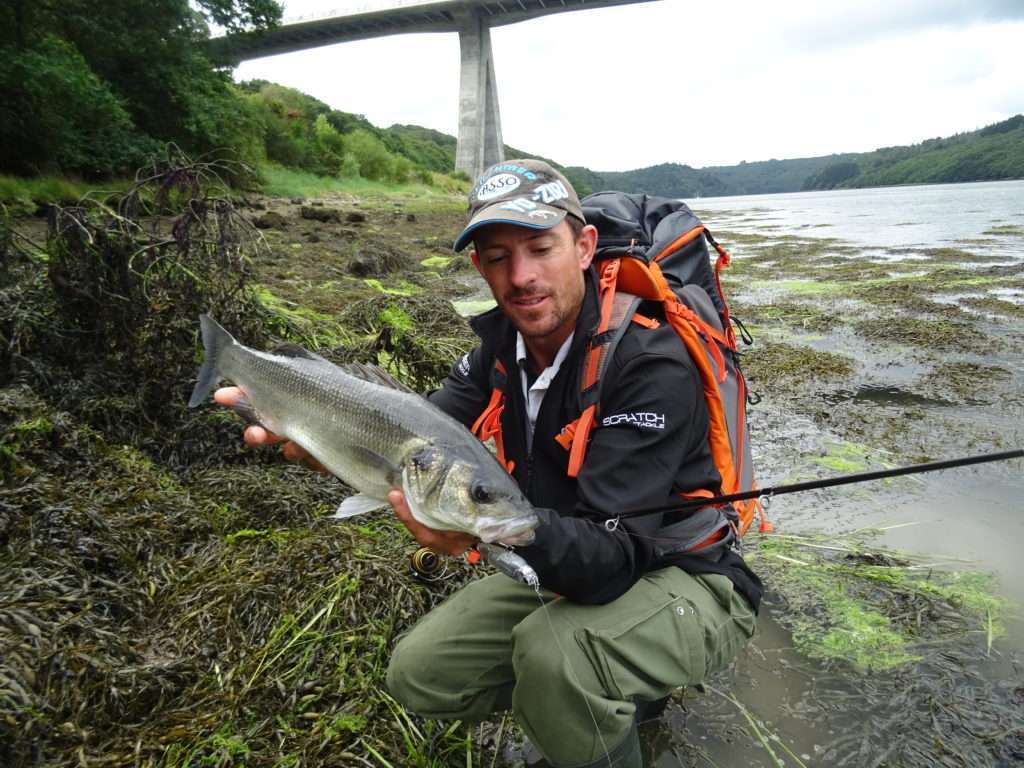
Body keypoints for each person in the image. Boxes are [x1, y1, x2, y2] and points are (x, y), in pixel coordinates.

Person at [216, 159, 761, 768]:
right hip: (568, 555)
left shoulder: (650, 366)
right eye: (498, 257)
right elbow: (413, 430)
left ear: (582, 247)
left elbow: (613, 561)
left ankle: (595, 701)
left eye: (540, 247)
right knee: (421, 675)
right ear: (478, 267)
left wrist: (500, 527)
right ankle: (592, 705)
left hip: (686, 573)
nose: (521, 276)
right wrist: (322, 436)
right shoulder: (498, 352)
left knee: (557, 658)